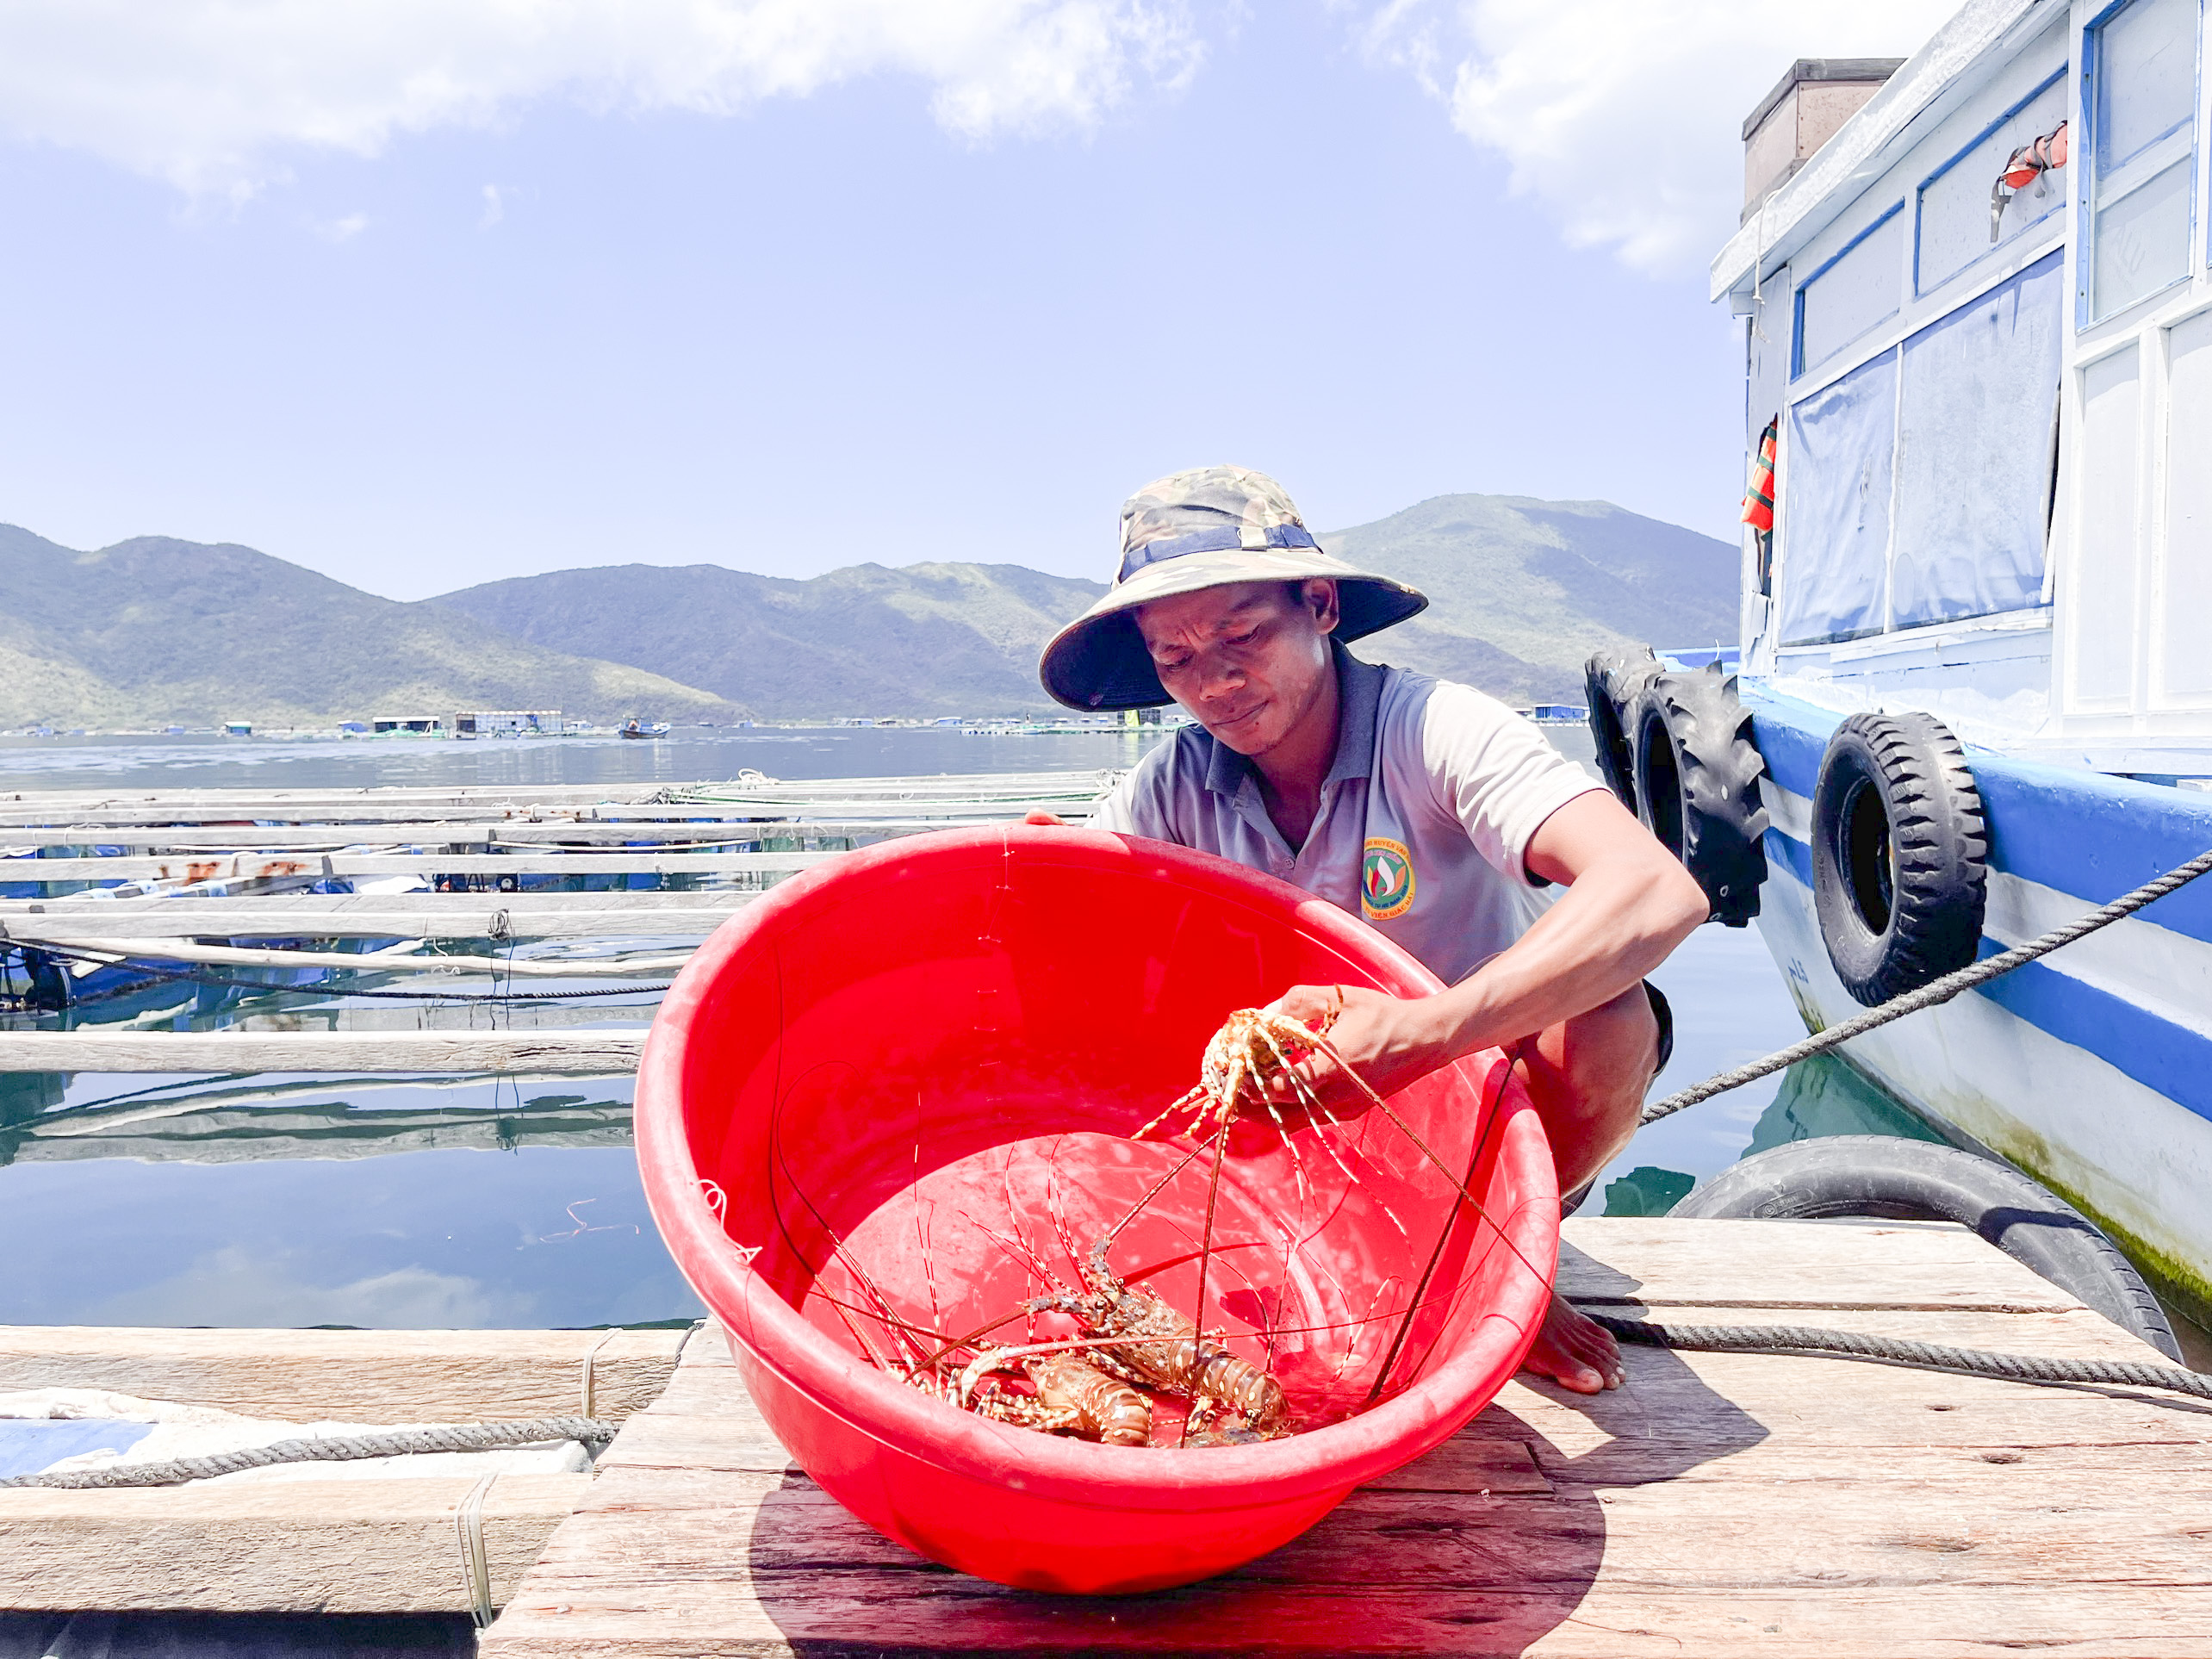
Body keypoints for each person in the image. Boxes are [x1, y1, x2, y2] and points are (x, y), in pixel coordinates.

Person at [1035, 465, 1709, 1393]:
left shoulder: (1439, 729)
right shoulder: (1173, 781)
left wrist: (1421, 1034)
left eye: (1242, 633)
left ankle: (1498, 1259)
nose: (1216, 682)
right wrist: (1033, 885)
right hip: (1304, 1109)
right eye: (1176, 659)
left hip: (1477, 1103)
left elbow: (1653, 889)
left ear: (1318, 606)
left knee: (1608, 1014)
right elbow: (1067, 903)